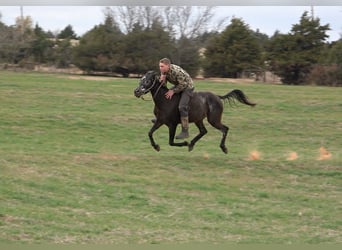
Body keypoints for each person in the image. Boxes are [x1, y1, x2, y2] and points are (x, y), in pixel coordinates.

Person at [159, 58, 194, 139]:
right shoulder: (164, 71)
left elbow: (183, 85)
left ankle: (185, 131)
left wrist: (173, 91)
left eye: (162, 66)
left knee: (182, 107)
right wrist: (162, 80)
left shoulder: (177, 71)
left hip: (187, 87)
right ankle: (160, 118)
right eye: (160, 66)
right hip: (178, 85)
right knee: (164, 97)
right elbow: (163, 86)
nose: (160, 68)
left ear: (168, 66)